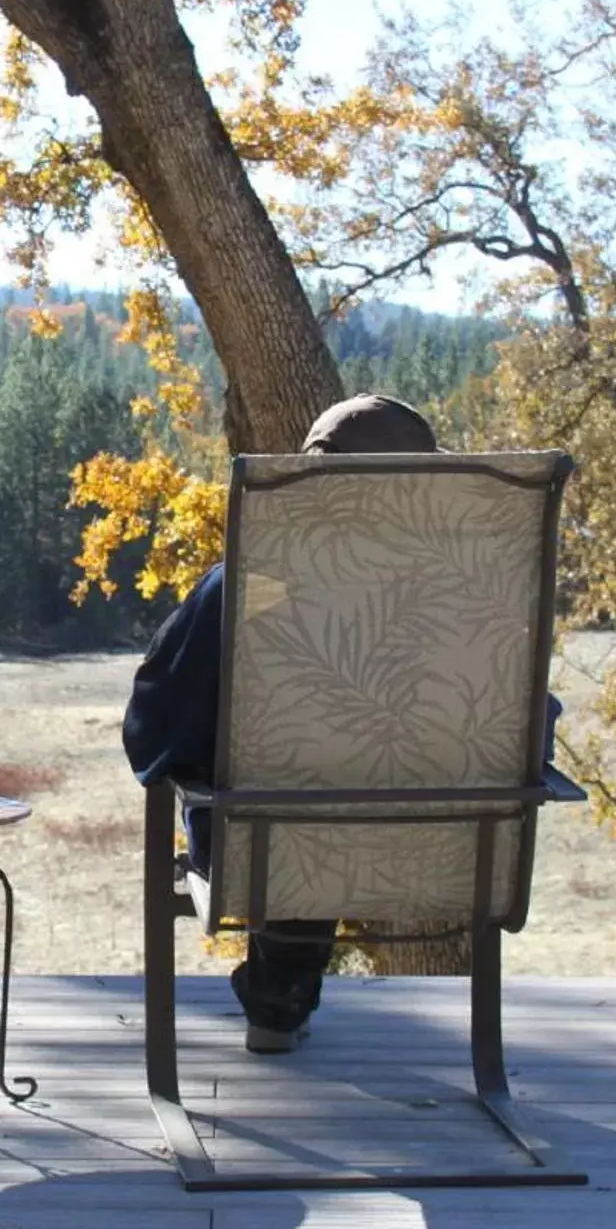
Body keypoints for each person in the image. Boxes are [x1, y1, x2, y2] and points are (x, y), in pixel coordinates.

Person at [121, 394, 558, 1053]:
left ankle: (278, 1002)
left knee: (291, 805)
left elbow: (154, 727)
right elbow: (531, 726)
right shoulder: (479, 600)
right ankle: (283, 1002)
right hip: (455, 853)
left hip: (277, 857)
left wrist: (185, 764)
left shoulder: (246, 590)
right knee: (333, 794)